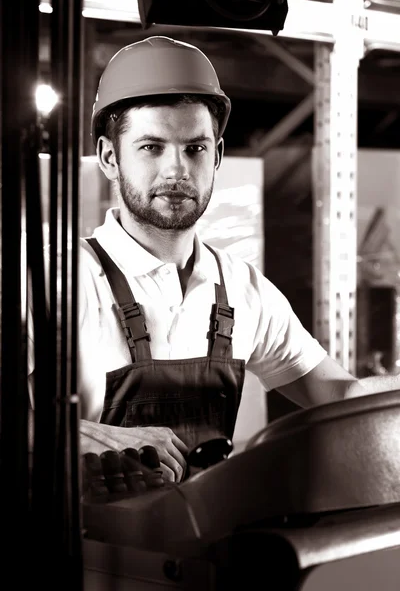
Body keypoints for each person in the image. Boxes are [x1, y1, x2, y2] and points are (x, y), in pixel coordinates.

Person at [28, 35, 400, 483]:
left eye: (195, 148)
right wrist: (75, 435)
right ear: (110, 158)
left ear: (217, 155)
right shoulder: (56, 279)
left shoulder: (242, 288)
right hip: (86, 551)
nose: (177, 170)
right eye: (151, 147)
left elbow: (342, 394)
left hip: (204, 542)